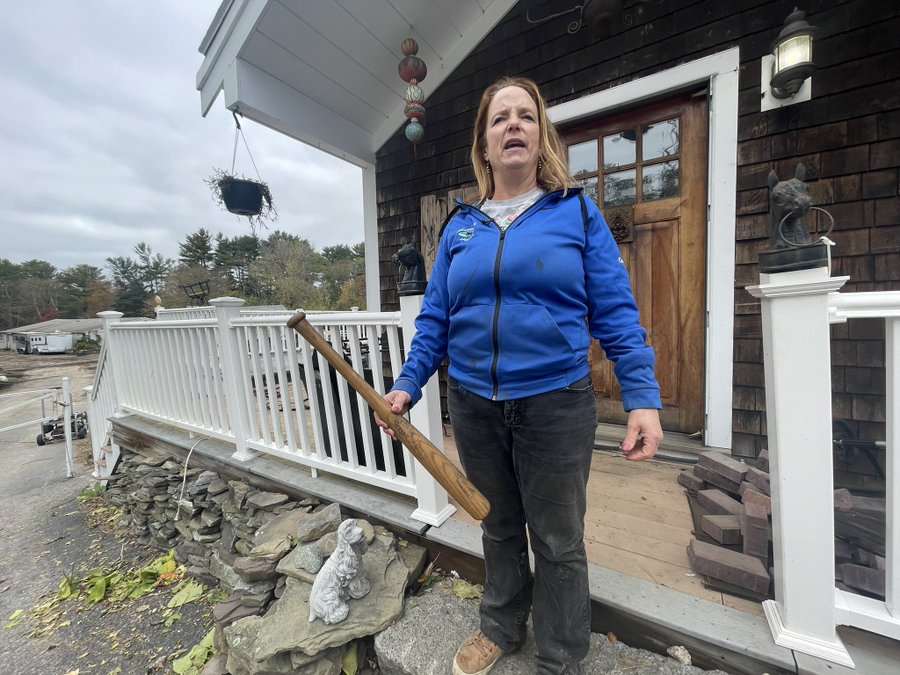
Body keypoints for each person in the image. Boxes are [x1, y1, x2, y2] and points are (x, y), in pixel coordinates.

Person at [375, 76, 663, 675]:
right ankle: (501, 626)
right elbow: (435, 318)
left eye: (525, 116)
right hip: (476, 403)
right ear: (484, 144)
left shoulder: (575, 212)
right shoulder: (460, 228)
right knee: (498, 523)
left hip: (555, 403)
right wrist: (407, 382)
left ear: (540, 136)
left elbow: (614, 308)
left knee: (558, 540)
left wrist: (642, 397)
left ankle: (560, 657)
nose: (513, 125)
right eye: (500, 118)